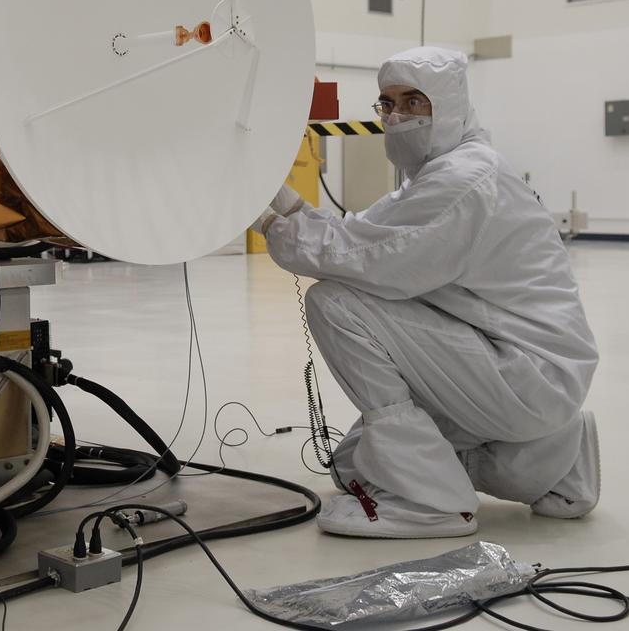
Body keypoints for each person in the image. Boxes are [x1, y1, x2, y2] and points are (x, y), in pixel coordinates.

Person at [253, 47, 600, 538]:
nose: (397, 117)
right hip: (526, 368)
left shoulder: (463, 181)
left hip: (523, 375)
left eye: (414, 102)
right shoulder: (447, 172)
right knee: (352, 468)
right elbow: (361, 234)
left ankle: (430, 502)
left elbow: (365, 260)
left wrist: (272, 224)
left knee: (334, 303)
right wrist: (274, 196)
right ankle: (553, 461)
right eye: (388, 104)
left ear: (449, 104)